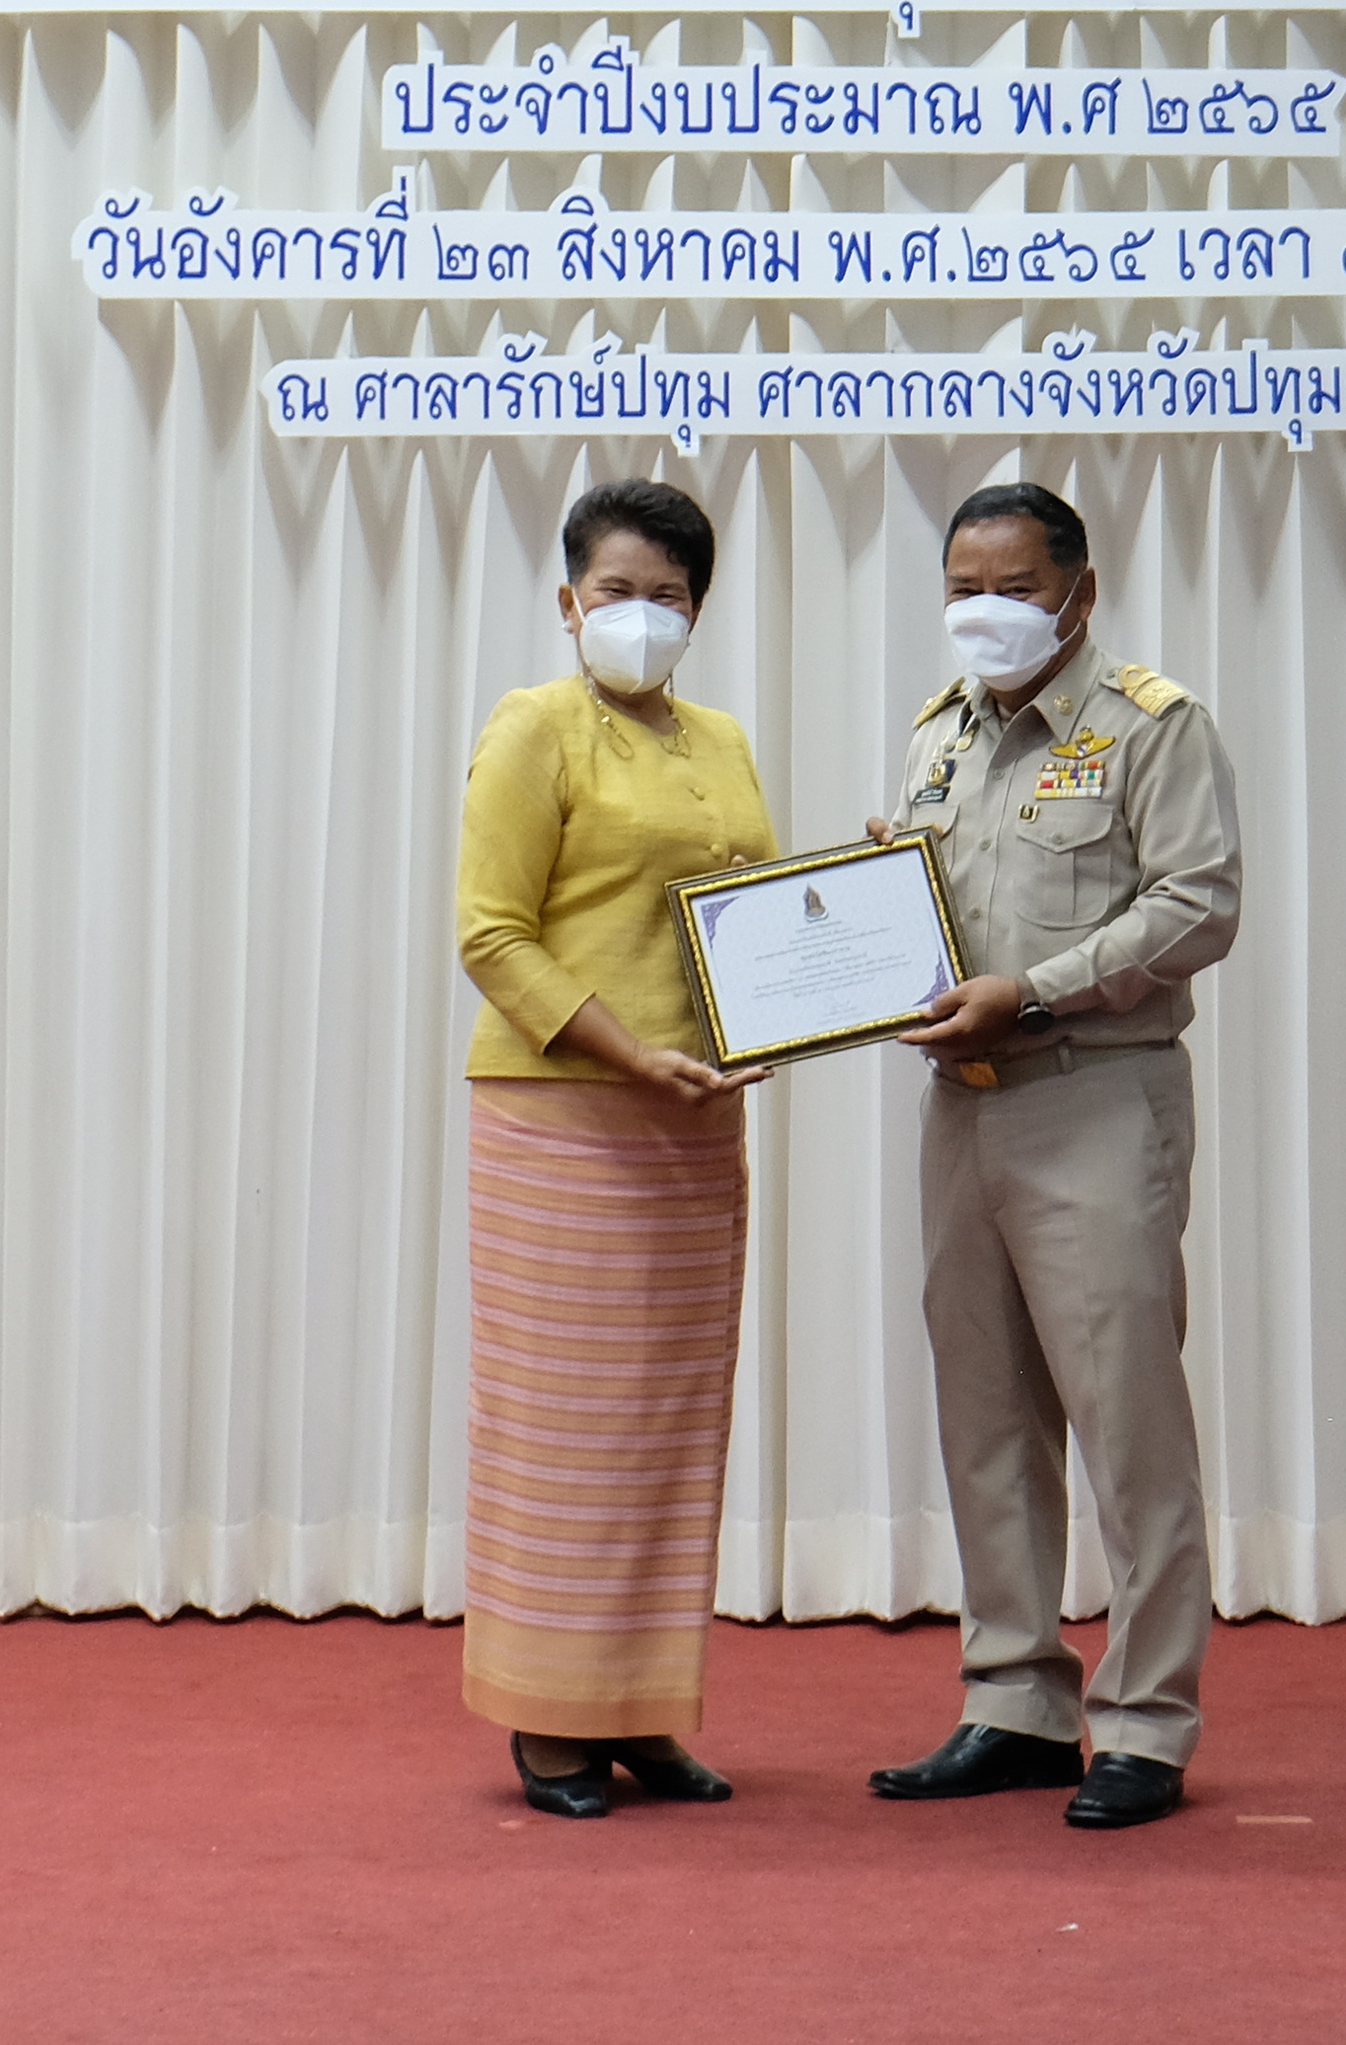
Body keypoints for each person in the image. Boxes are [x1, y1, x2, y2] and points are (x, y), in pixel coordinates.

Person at [867, 483, 1242, 1832]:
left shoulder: (1151, 723)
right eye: (962, 582)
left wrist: (1034, 990)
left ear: (1078, 591)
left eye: (1013, 583)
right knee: (985, 1416)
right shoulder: (940, 733)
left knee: (1125, 1416)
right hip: (961, 1104)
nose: (984, 608)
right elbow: (917, 906)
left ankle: (1144, 1719)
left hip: (1092, 1092)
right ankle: (1016, 1696)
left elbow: (1198, 903)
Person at [449, 479, 779, 1817]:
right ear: (570, 597)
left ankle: (644, 1707)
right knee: (562, 1426)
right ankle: (549, 1721)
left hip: (696, 1123)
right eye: (618, 591)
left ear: (699, 610)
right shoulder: (535, 727)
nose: (641, 616)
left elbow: (749, 915)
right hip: (565, 1116)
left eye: (669, 596)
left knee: (668, 1421)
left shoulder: (723, 738)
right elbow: (490, 932)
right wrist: (629, 1051)